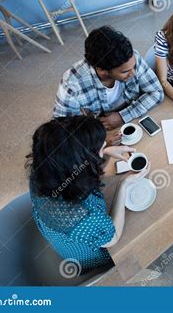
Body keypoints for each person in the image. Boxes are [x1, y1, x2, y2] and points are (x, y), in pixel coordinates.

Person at [26, 115, 148, 270]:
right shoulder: (84, 218)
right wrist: (123, 185)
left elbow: (77, 172)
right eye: (101, 147)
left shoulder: (44, 171)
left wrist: (106, 152)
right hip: (86, 258)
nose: (105, 143)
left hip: (58, 233)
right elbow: (113, 238)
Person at [53, 26, 164, 144]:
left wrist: (122, 116)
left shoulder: (131, 59)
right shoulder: (71, 84)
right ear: (102, 70)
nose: (134, 73)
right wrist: (100, 141)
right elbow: (63, 130)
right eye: (125, 72)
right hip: (99, 131)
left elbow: (157, 92)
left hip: (134, 117)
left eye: (133, 67)